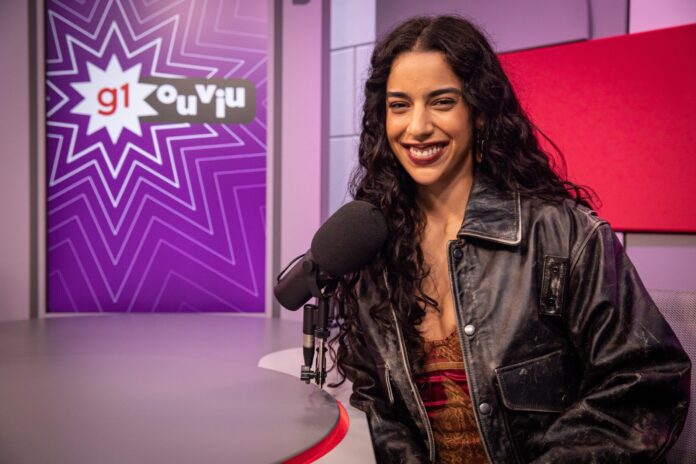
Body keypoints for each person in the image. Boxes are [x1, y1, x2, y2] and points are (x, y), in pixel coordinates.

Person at [330, 15, 691, 464]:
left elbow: (646, 382)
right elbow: (372, 405)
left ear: (479, 112)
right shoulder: (374, 247)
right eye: (399, 105)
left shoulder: (563, 235)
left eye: (442, 102)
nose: (417, 126)